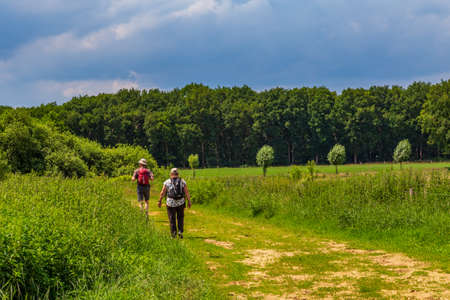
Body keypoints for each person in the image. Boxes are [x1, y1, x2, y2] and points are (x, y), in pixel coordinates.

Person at [158, 168, 191, 238]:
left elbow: (163, 192)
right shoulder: (182, 181)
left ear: (171, 174)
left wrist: (160, 201)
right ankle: (180, 231)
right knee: (180, 217)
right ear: (178, 174)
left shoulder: (167, 182)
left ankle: (173, 234)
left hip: (170, 203)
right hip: (180, 202)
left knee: (171, 218)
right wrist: (189, 201)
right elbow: (186, 192)